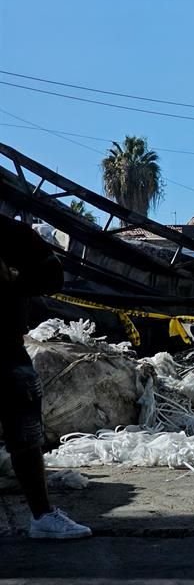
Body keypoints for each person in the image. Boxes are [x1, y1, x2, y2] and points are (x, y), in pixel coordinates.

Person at [0, 214, 91, 539]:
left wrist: (11, 282)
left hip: (5, 349)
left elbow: (52, 276)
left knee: (25, 435)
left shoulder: (10, 232)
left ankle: (42, 515)